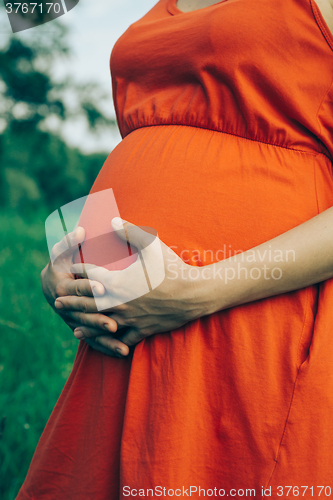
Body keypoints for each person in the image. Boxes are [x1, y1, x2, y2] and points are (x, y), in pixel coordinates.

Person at [16, 0, 333, 498]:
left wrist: (201, 290)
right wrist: (73, 276)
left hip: (250, 311)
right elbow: (151, 143)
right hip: (124, 333)